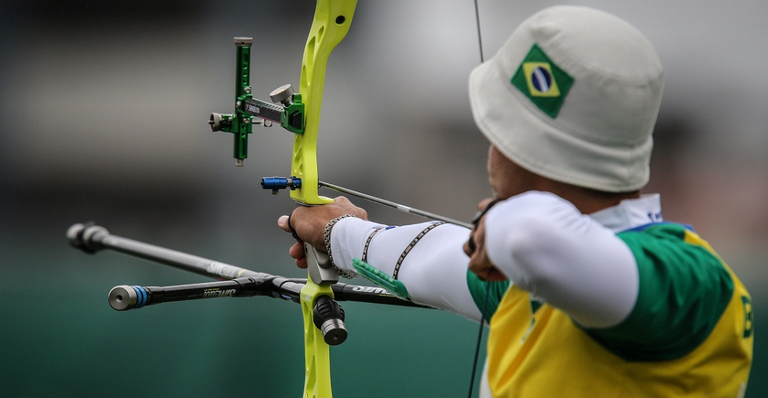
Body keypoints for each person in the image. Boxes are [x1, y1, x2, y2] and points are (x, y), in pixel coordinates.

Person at [278, 5, 753, 397]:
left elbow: (530, 238)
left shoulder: (691, 282)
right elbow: (432, 258)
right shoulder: (549, 275)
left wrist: (506, 220)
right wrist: (336, 232)